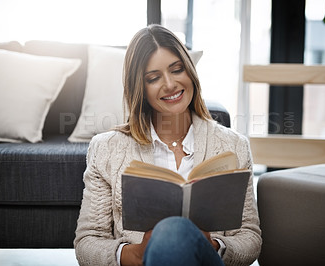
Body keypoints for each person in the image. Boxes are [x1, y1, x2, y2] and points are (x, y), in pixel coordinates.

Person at [74, 24, 262, 266]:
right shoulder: (106, 149)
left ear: (190, 72)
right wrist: (136, 253)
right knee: (170, 234)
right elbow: (87, 243)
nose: (170, 84)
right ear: (140, 88)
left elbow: (250, 238)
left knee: (176, 234)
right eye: (153, 78)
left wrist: (213, 245)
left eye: (177, 70)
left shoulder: (233, 146)